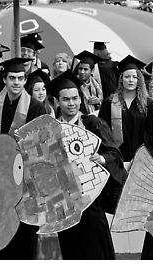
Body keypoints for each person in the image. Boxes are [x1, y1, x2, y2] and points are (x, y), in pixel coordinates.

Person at [0, 58, 47, 259]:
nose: (16, 83)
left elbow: (42, 144)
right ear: (4, 79)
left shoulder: (36, 108)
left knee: (20, 230)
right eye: (12, 78)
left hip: (24, 180)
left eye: (21, 78)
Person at [45, 70, 126, 259]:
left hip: (91, 200)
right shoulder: (51, 128)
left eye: (75, 98)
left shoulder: (92, 123)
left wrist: (102, 159)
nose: (71, 103)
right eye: (66, 99)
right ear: (57, 101)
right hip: (65, 201)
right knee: (71, 249)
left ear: (81, 100)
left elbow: (114, 153)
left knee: (95, 248)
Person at [98, 55, 153, 166]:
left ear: (139, 80)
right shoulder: (109, 103)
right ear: (121, 79)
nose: (131, 80)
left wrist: (142, 157)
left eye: (135, 77)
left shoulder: (149, 105)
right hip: (116, 160)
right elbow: (103, 133)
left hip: (140, 160)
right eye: (127, 77)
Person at [74, 50, 104, 114]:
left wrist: (99, 101)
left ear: (92, 71)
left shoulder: (96, 85)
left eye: (85, 69)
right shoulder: (74, 84)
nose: (82, 72)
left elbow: (103, 103)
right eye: (80, 68)